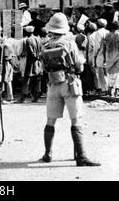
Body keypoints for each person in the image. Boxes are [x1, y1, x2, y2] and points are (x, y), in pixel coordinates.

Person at [40, 13, 100, 167]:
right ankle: (81, 156)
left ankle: (48, 154)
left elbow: (42, 67)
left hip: (53, 84)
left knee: (50, 120)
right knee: (75, 119)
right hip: (70, 83)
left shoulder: (46, 45)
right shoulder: (70, 43)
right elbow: (79, 66)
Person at [102, 22, 119, 97]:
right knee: (118, 74)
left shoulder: (106, 36)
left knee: (110, 74)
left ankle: (110, 89)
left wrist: (104, 57)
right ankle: (117, 91)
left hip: (108, 56)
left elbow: (104, 48)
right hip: (117, 56)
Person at [93, 19, 109, 95]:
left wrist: (95, 55)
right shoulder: (108, 32)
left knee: (101, 73)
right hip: (108, 55)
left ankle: (104, 90)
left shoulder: (98, 33)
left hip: (101, 54)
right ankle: (108, 88)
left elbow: (97, 46)